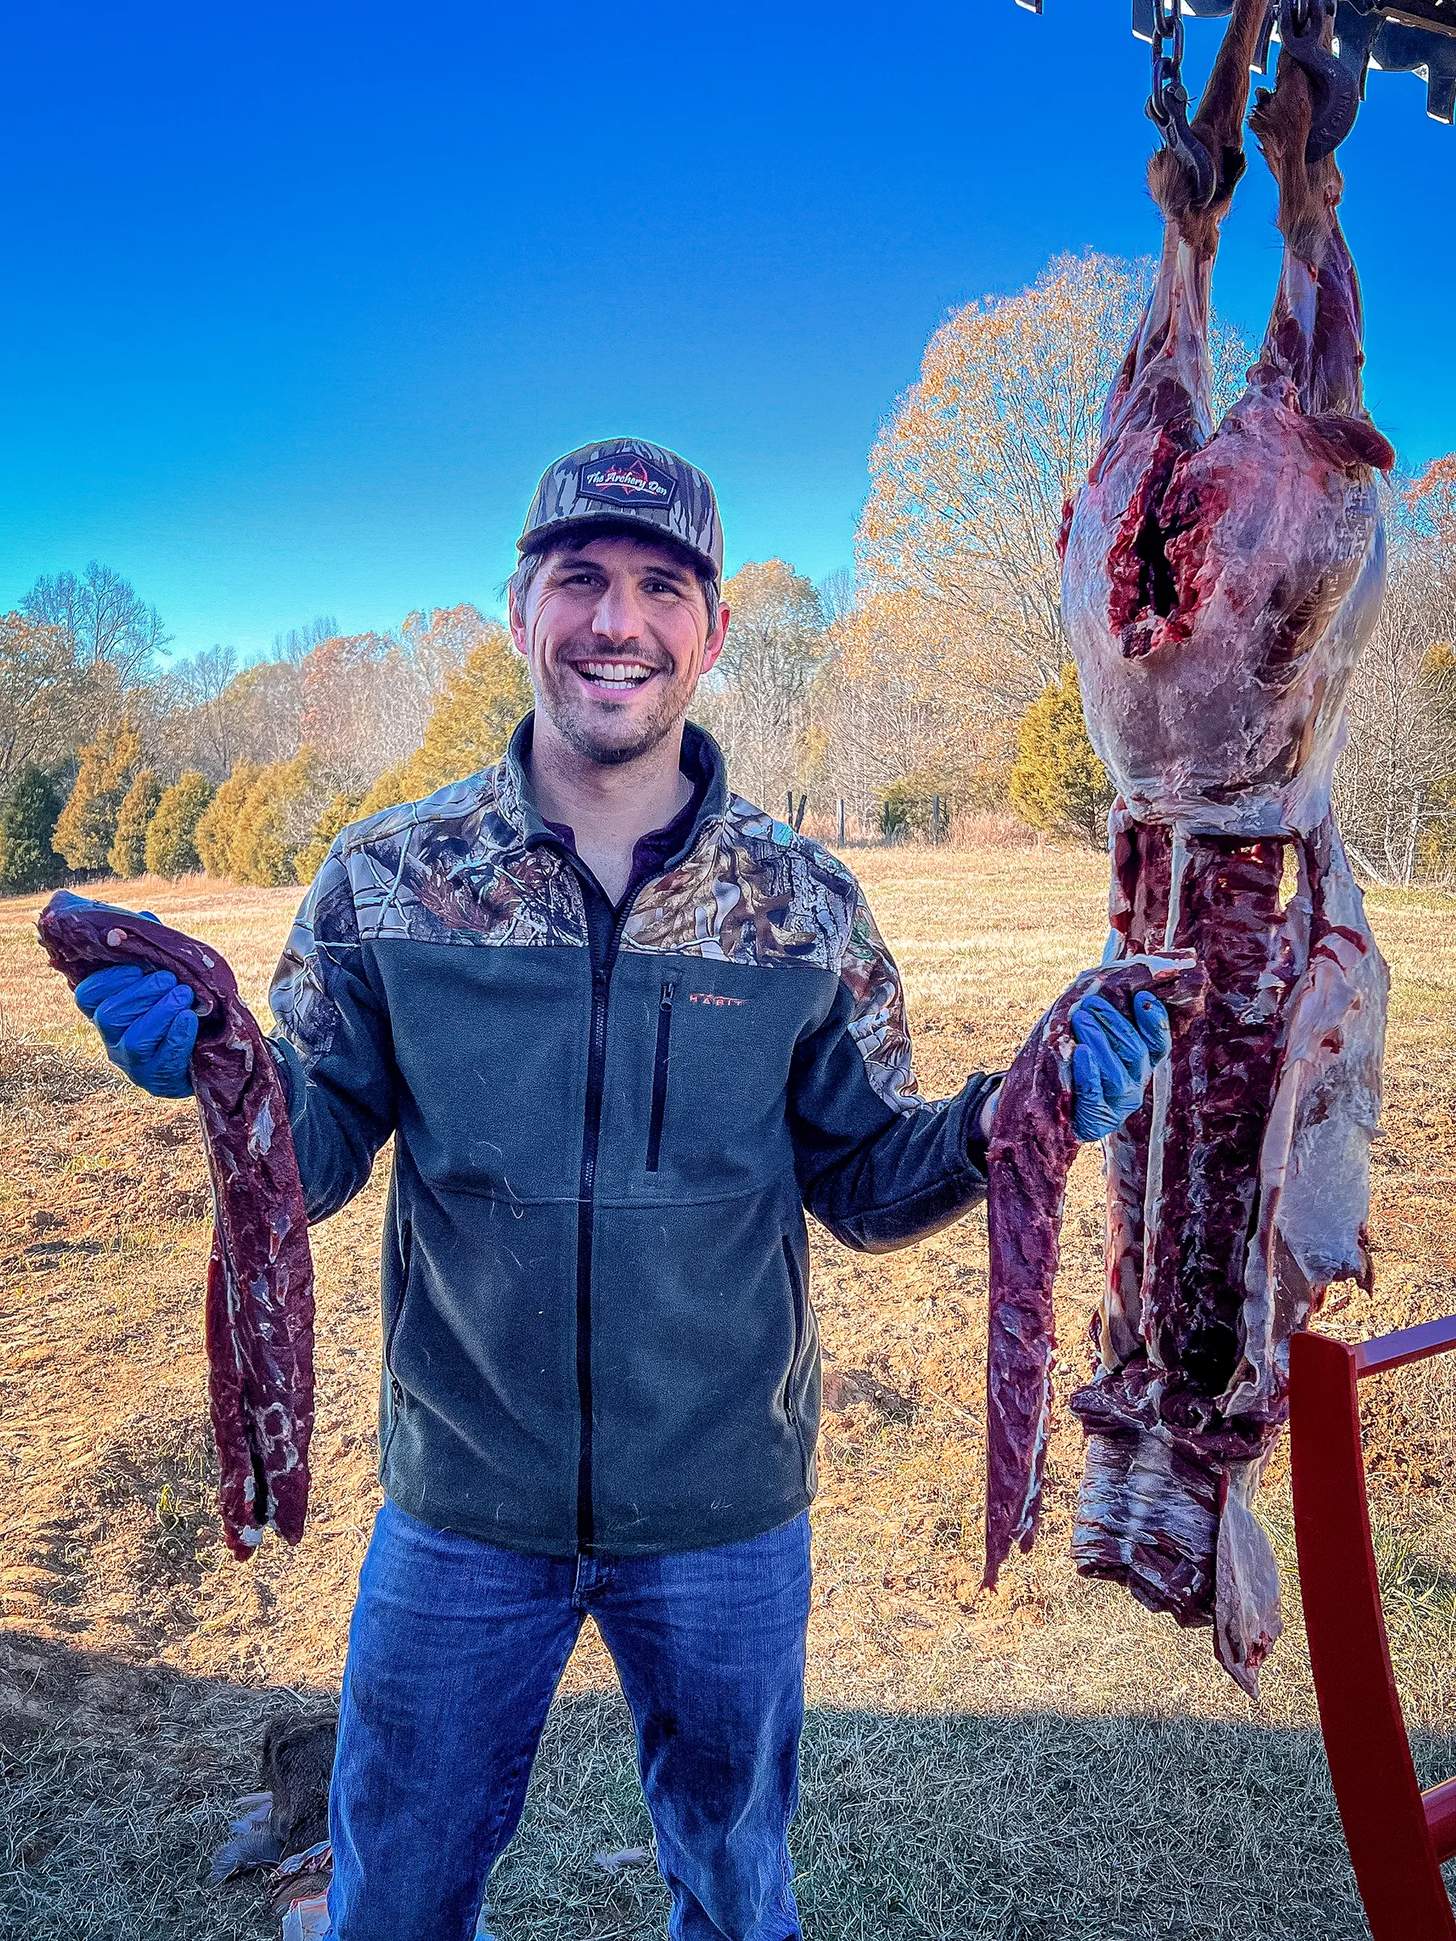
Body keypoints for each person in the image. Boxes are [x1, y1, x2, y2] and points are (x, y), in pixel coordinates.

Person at [72, 438, 1170, 1941]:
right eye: (580, 577)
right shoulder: (389, 877)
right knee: (395, 1896)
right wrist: (220, 1070)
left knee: (735, 1889)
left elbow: (863, 1175)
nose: (617, 620)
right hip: (462, 1503)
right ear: (521, 609)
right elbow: (312, 1151)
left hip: (725, 1510)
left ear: (710, 633)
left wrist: (1014, 1115)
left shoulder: (799, 902)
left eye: (661, 587)